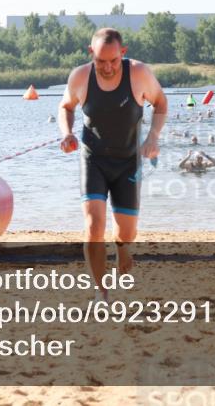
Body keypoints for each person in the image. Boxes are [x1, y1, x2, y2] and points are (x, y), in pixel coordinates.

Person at [58, 28, 168, 301]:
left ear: (123, 52)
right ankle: (101, 291)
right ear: (90, 53)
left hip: (128, 162)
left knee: (126, 232)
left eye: (113, 61)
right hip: (93, 158)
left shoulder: (140, 74)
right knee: (94, 226)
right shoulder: (80, 76)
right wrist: (67, 133)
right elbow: (66, 107)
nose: (107, 68)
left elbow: (161, 104)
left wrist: (153, 137)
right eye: (100, 61)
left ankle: (122, 246)